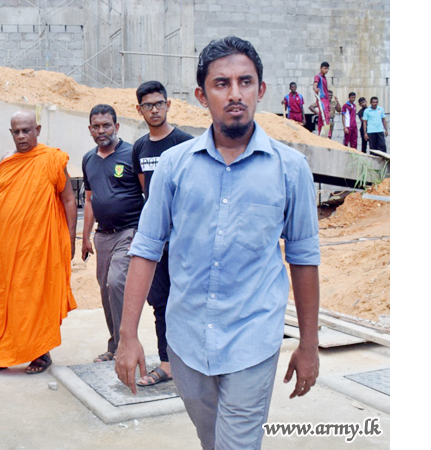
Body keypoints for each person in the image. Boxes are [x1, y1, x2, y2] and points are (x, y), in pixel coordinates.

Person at [115, 36, 321, 449]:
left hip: (253, 339)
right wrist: (127, 335)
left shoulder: (291, 169)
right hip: (186, 340)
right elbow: (147, 248)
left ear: (261, 89)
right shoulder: (174, 166)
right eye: (221, 84)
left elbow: (303, 257)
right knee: (210, 439)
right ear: (201, 95)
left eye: (245, 82)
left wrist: (309, 344)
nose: (235, 94)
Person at [0, 110, 77, 376]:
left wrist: (70, 238)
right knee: (4, 297)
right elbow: (0, 198)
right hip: (7, 244)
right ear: (11, 133)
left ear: (37, 130)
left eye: (26, 130)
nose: (21, 136)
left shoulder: (52, 159)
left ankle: (40, 353)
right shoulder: (7, 160)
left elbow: (69, 199)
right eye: (16, 132)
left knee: (35, 296)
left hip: (39, 246)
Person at [131, 81, 193, 387]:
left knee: (189, 298)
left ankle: (193, 361)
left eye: (159, 104)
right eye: (148, 105)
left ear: (168, 105)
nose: (154, 110)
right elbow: (147, 191)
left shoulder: (186, 143)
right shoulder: (140, 148)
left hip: (184, 239)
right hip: (157, 241)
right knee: (160, 301)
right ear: (139, 110)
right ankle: (167, 362)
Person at [81, 104, 144, 363]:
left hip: (129, 231)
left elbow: (147, 194)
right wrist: (85, 237)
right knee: (105, 292)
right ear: (90, 129)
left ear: (116, 126)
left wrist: (144, 233)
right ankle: (115, 345)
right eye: (96, 126)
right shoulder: (88, 159)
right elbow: (89, 200)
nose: (101, 131)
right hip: (102, 236)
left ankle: (125, 345)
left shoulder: (131, 154)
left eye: (106, 125)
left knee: (116, 282)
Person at [312, 62, 331, 136]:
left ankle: (321, 134)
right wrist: (316, 89)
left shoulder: (324, 78)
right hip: (322, 99)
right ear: (321, 68)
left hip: (326, 99)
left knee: (321, 116)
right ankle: (326, 134)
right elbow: (315, 85)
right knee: (325, 115)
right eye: (325, 68)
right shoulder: (318, 76)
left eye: (327, 69)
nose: (326, 70)